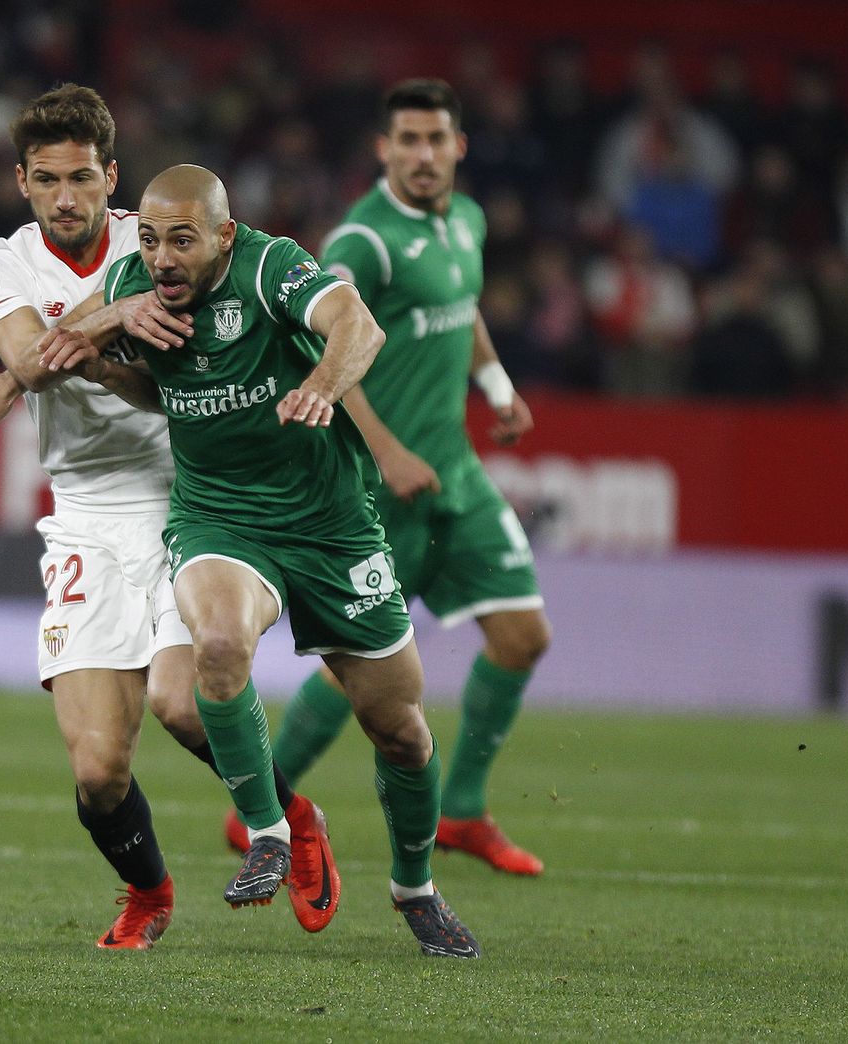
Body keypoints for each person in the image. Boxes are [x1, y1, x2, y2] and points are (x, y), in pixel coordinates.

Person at [0, 84, 339, 949]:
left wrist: (82, 334)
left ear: (110, 176)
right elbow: (32, 356)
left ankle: (293, 821)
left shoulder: (156, 240)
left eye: (83, 178)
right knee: (97, 771)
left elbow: (103, 349)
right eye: (48, 181)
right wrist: (95, 327)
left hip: (185, 494)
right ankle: (149, 892)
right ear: (23, 183)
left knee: (183, 707)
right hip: (81, 514)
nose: (68, 198)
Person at [41, 163, 482, 957]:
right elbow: (73, 344)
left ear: (224, 234)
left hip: (334, 526)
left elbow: (360, 327)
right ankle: (270, 831)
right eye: (149, 239)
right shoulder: (136, 281)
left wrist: (319, 382)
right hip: (220, 515)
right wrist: (113, 337)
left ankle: (414, 885)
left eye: (182, 240)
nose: (163, 258)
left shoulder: (273, 265)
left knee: (402, 732)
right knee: (216, 643)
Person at [241, 79, 552, 876]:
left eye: (435, 139)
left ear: (459, 147)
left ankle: (465, 811)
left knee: (523, 637)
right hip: (382, 488)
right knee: (364, 675)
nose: (422, 154)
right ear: (383, 150)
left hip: (455, 470)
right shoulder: (364, 242)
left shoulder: (467, 222)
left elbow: (466, 306)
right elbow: (326, 343)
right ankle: (263, 807)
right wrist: (383, 450)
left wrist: (496, 387)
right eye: (406, 140)